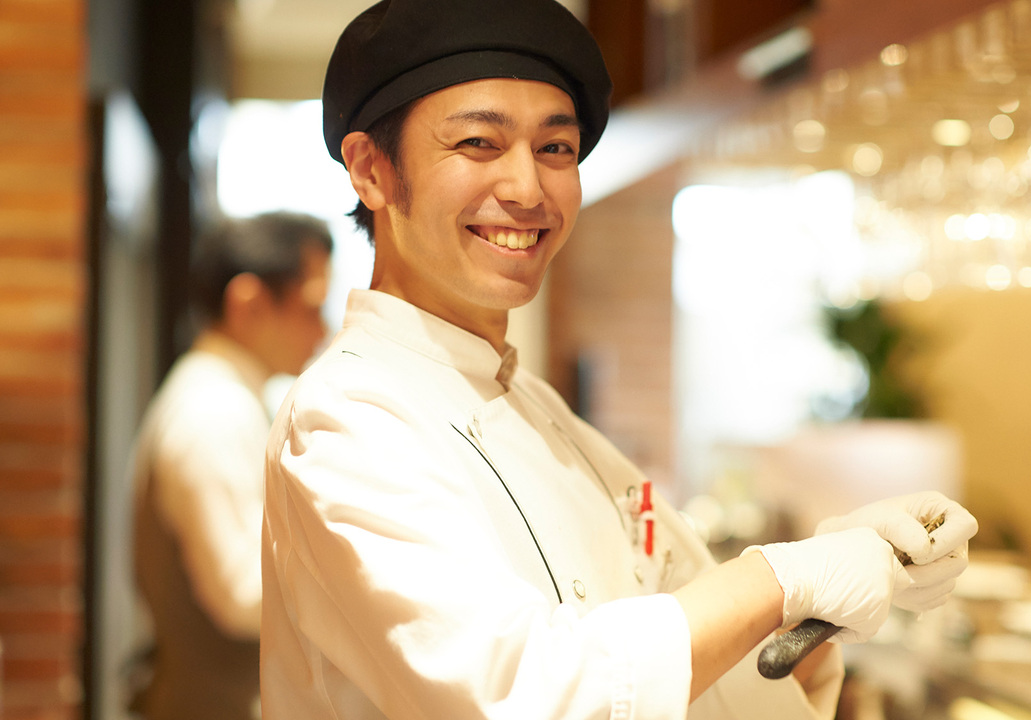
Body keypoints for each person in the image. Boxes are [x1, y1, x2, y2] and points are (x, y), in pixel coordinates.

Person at [259, 1, 979, 718]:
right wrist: (783, 577)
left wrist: (832, 588)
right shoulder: (345, 421)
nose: (527, 188)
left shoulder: (536, 409)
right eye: (479, 143)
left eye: (556, 149)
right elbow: (525, 694)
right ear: (371, 171)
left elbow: (671, 645)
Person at [130, 211, 333, 720]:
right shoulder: (212, 409)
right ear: (249, 304)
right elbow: (241, 596)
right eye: (311, 307)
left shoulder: (226, 396)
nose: (323, 329)